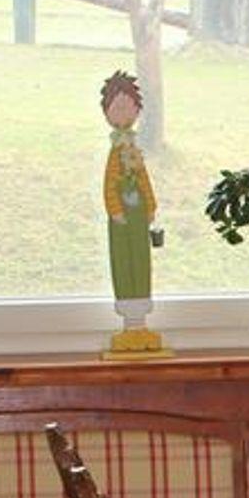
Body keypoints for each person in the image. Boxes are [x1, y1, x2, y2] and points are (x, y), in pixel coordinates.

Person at [100, 71, 164, 356]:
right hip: (122, 218)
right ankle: (130, 322)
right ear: (107, 112)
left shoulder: (134, 149)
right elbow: (109, 183)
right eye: (118, 106)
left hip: (138, 216)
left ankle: (140, 323)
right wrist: (115, 209)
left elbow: (143, 179)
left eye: (129, 105)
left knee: (141, 260)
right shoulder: (116, 152)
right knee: (124, 261)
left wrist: (150, 206)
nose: (124, 111)